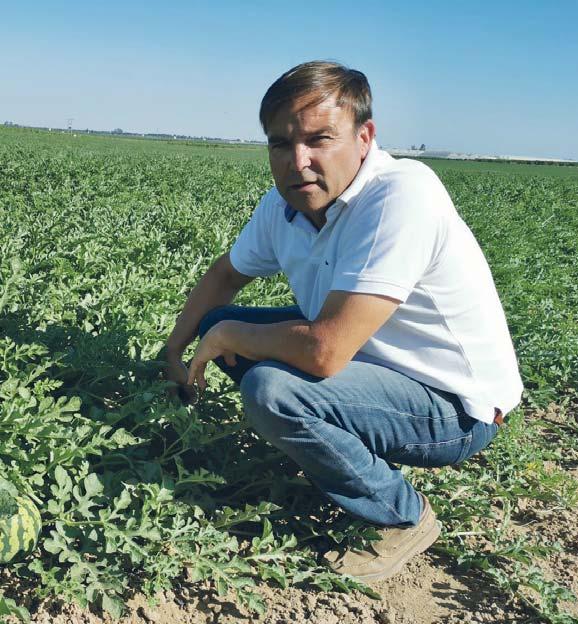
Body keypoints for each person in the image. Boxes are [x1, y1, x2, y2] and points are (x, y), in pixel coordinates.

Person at [164, 60, 523, 581]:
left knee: (272, 390)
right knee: (220, 320)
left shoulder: (402, 194)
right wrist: (173, 350)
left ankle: (401, 515)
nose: (298, 161)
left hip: (454, 407)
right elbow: (226, 274)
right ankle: (340, 451)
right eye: (281, 143)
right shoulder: (282, 207)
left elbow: (325, 351)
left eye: (319, 139)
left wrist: (228, 335)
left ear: (364, 137)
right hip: (372, 358)